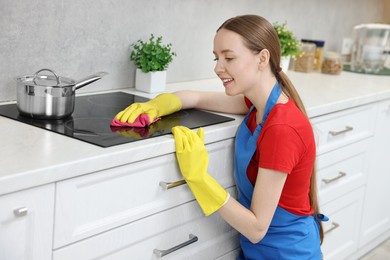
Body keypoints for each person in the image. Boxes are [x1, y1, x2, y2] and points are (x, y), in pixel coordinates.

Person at [112, 14, 327, 259]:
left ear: (262, 58)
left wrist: (199, 178)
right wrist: (157, 106)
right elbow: (197, 98)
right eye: (216, 58)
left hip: (287, 254)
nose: (217, 67)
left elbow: (256, 229)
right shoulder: (260, 105)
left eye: (229, 58)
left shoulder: (282, 129)